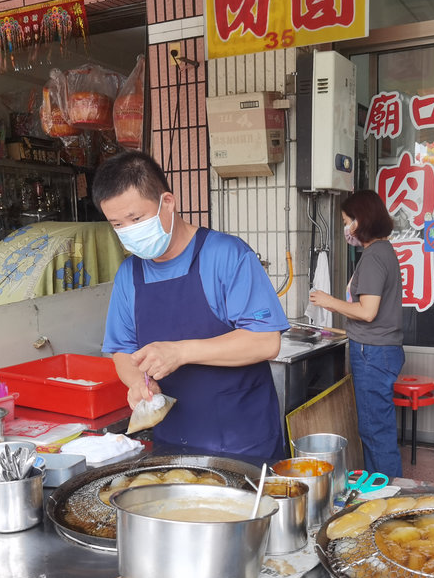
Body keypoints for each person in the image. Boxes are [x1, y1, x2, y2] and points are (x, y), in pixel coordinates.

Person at [93, 151, 289, 459]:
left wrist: (180, 352)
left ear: (167, 202)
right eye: (117, 224)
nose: (128, 231)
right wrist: (138, 385)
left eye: (136, 219)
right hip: (173, 443)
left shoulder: (227, 256)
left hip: (243, 442)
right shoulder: (128, 275)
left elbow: (265, 341)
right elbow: (121, 350)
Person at [309, 191, 404, 478]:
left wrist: (327, 301)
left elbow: (368, 311)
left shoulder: (375, 256)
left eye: (346, 221)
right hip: (380, 350)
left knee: (375, 430)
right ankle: (381, 489)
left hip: (373, 352)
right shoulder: (383, 251)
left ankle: (387, 494)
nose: (345, 228)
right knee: (376, 428)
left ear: (361, 221)